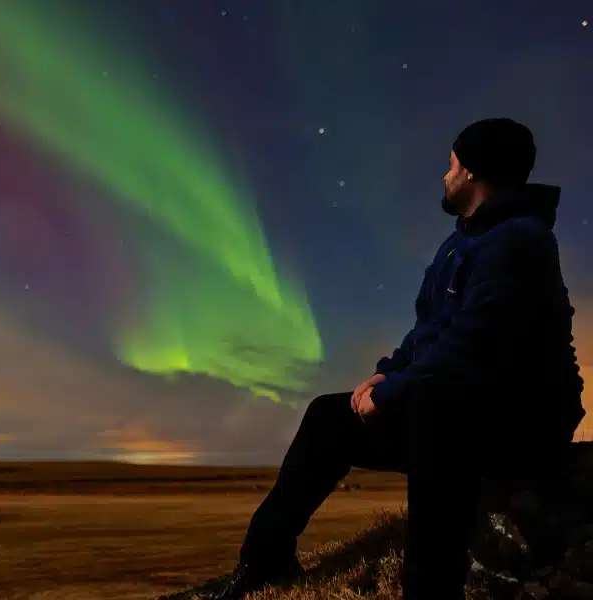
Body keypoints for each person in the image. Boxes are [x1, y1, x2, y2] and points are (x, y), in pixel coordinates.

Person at [199, 118, 586, 600]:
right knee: (328, 416)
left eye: (450, 165)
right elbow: (430, 331)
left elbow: (478, 346)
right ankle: (263, 560)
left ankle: (429, 589)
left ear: (472, 172)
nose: (444, 176)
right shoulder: (460, 242)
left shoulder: (521, 241)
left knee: (434, 415)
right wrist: (388, 372)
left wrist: (396, 393)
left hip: (525, 420)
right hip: (467, 402)